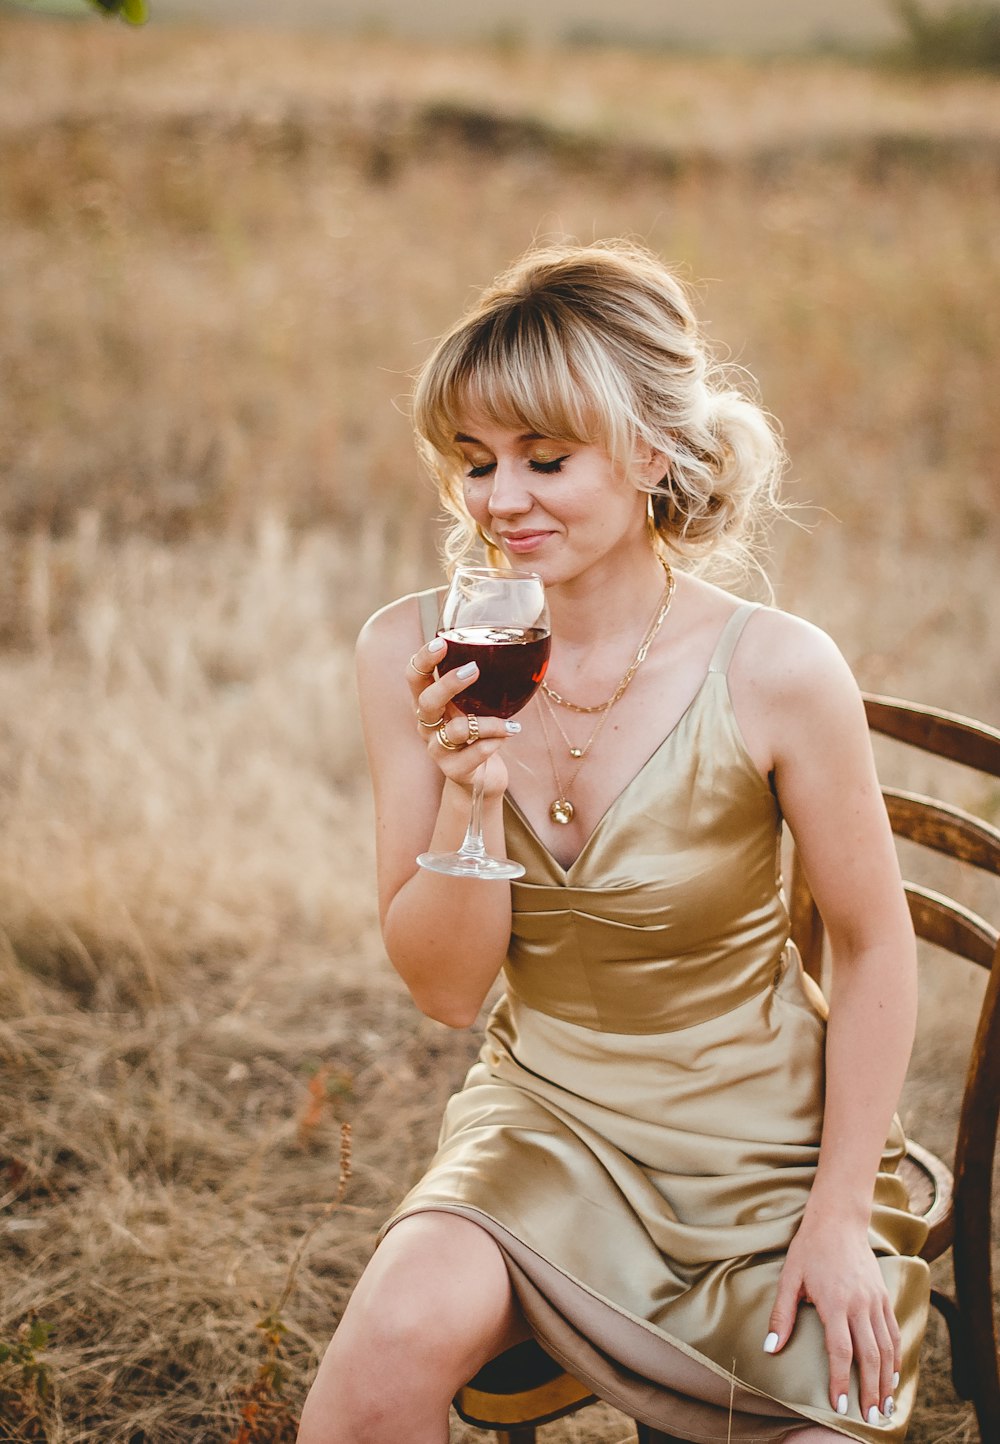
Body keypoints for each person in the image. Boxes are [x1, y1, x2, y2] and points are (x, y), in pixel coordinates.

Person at [297, 240, 929, 1444]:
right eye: (473, 462)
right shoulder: (409, 654)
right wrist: (471, 798)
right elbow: (442, 990)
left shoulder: (778, 667)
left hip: (764, 1145)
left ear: (651, 450)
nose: (502, 499)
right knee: (375, 1365)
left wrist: (839, 1213)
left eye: (546, 457)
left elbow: (873, 943)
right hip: (544, 1122)